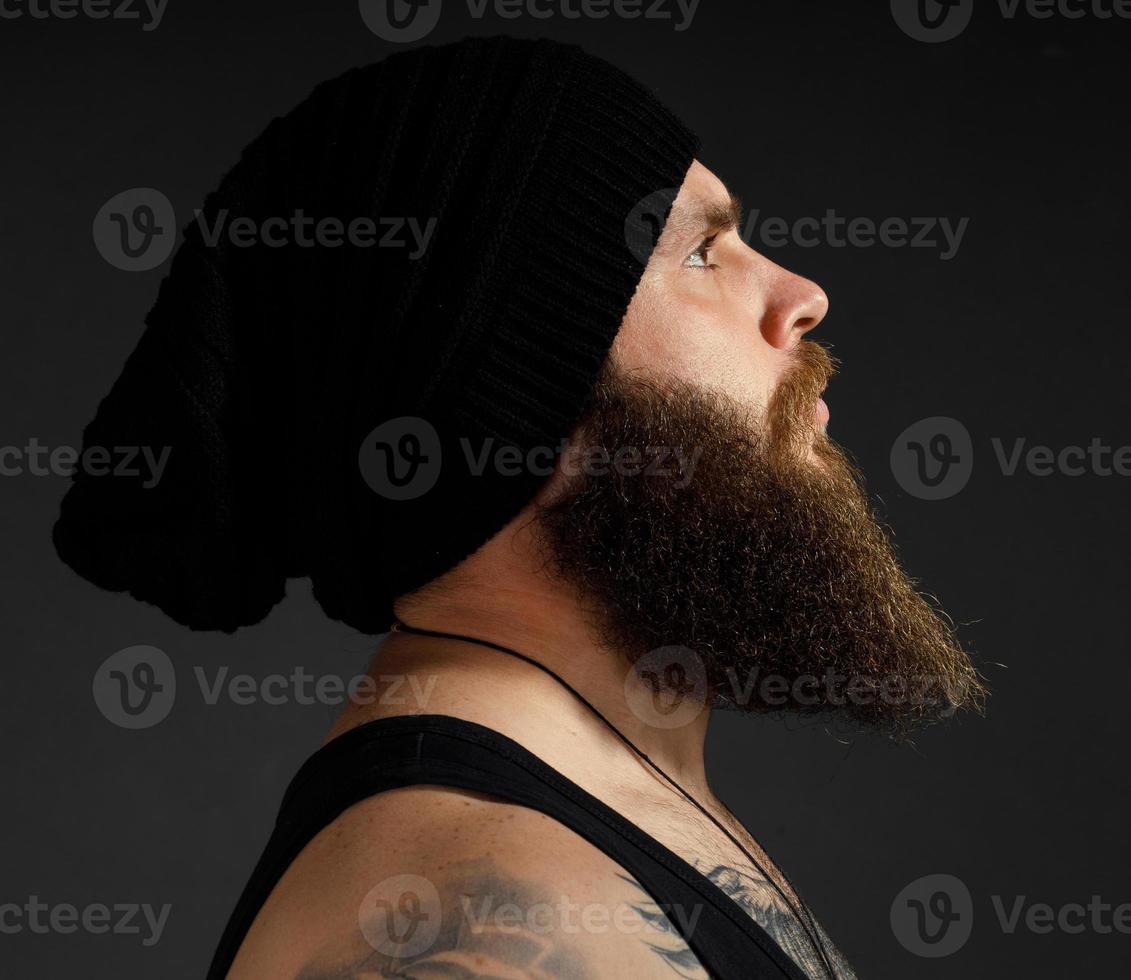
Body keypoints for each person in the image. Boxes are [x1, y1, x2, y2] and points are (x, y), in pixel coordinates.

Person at [54, 35, 987, 979]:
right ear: (500, 403)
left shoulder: (604, 801)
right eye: (702, 251)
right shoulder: (489, 922)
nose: (803, 296)